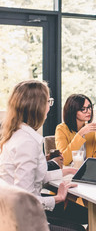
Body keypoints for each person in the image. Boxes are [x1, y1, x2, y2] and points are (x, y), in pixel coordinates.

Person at [0, 80, 86, 230]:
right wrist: (57, 198)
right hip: (23, 221)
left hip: (12, 215)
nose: (48, 107)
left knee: (81, 217)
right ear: (37, 107)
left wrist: (65, 172)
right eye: (48, 101)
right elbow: (25, 199)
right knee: (78, 225)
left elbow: (33, 176)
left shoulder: (16, 135)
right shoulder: (27, 142)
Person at [55, 94, 96, 166]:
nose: (89, 111)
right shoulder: (61, 129)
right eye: (83, 109)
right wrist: (81, 133)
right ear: (72, 111)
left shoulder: (90, 130)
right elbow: (64, 160)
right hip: (70, 172)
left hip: (88, 170)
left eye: (89, 107)